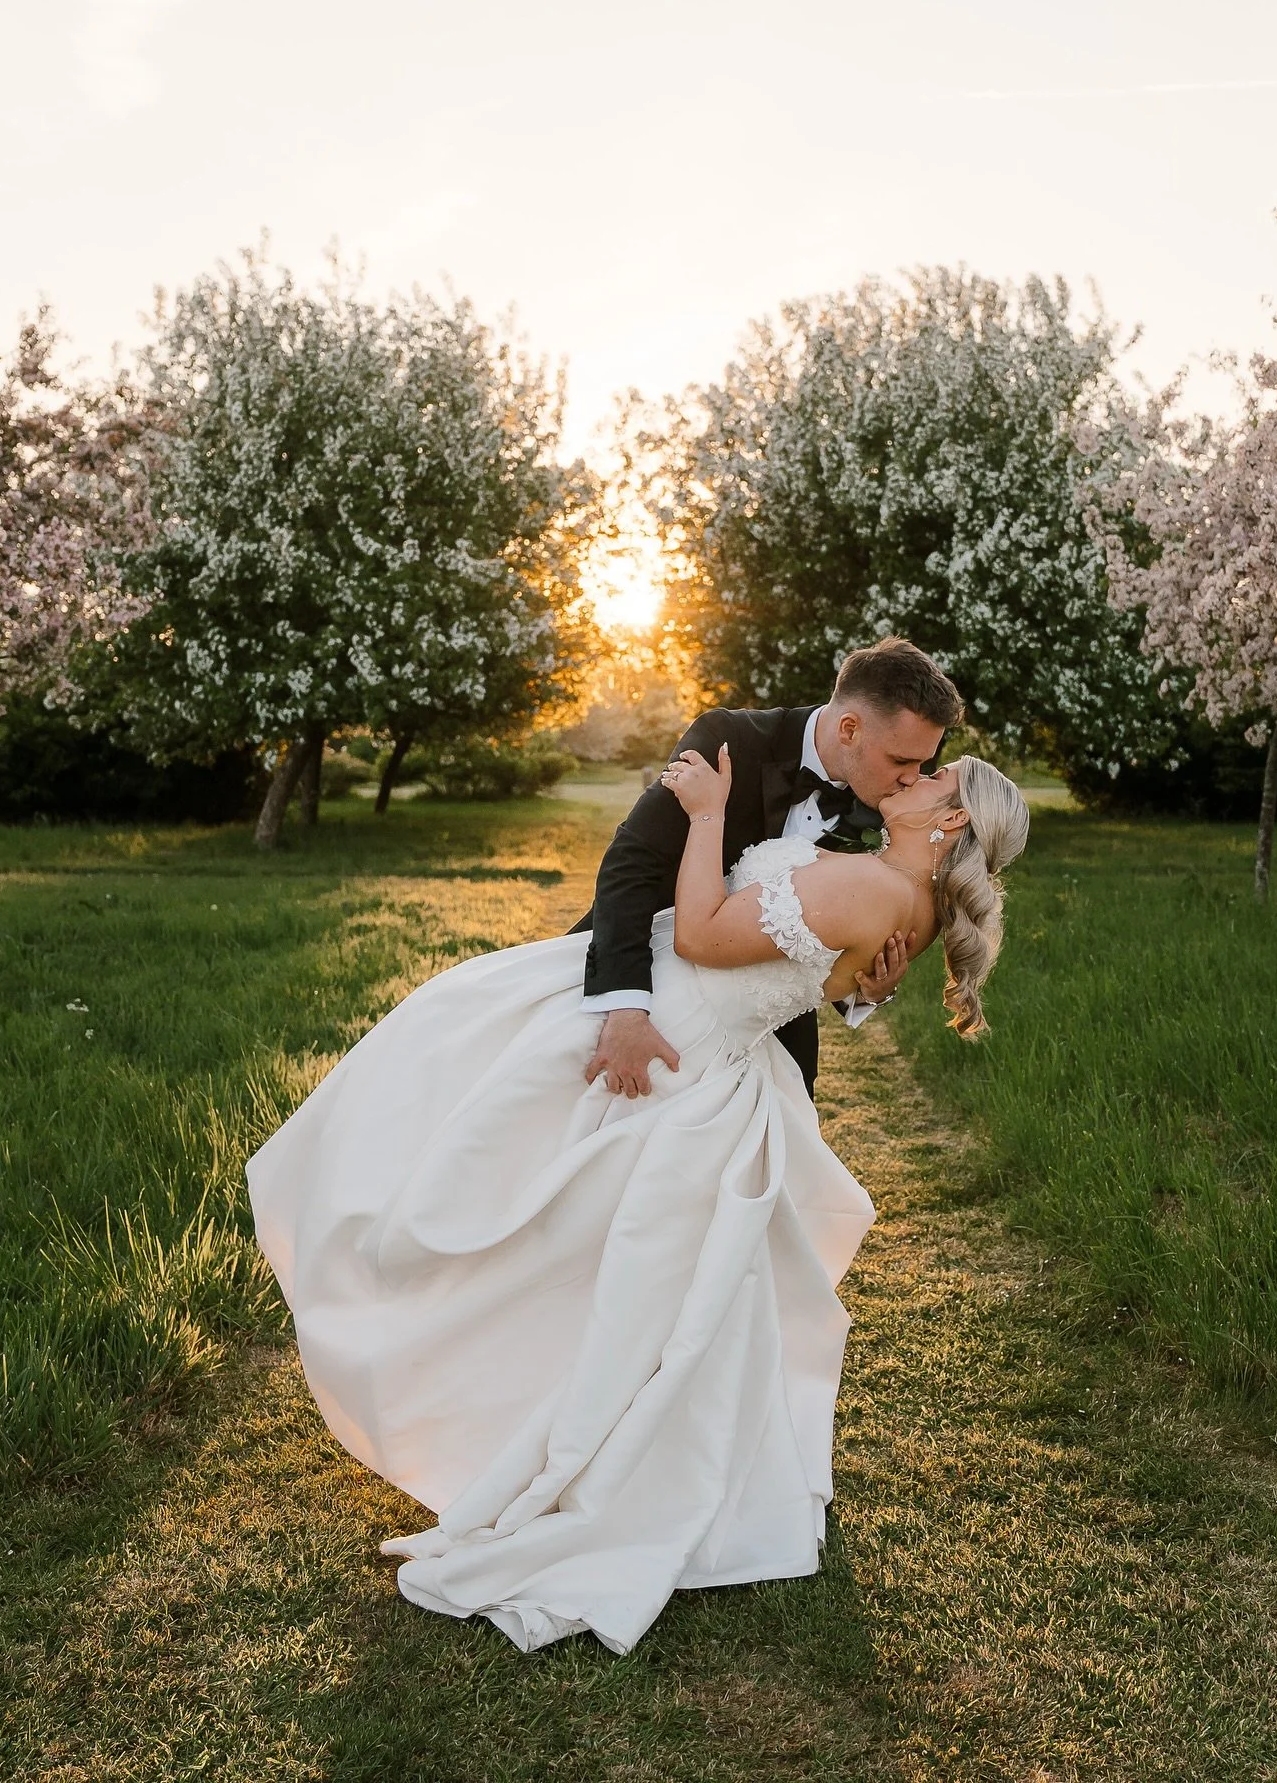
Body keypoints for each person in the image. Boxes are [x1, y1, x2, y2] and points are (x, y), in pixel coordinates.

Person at [246, 723, 1029, 1656]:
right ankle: (581, 1437)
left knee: (515, 1216)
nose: (915, 775)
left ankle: (472, 1390)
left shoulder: (870, 881)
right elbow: (820, 968)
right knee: (611, 1278)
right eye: (917, 759)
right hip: (705, 1053)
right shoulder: (904, 893)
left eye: (934, 777)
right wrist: (866, 985)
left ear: (948, 827)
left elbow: (700, 935)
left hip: (679, 1049)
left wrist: (705, 817)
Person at [573, 638, 967, 1102]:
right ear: (849, 729)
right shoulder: (729, 741)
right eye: (902, 760)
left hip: (765, 1038)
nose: (913, 777)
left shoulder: (894, 808)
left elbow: (827, 925)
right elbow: (633, 860)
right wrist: (624, 1007)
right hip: (644, 979)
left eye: (925, 762)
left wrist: (868, 988)